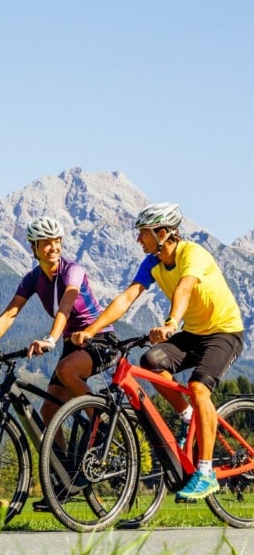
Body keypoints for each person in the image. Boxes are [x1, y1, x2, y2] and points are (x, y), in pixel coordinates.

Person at [71, 202, 244, 502]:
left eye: (143, 234)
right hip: (194, 333)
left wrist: (170, 323)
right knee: (151, 361)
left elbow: (185, 288)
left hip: (224, 332)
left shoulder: (192, 254)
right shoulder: (152, 262)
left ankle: (205, 472)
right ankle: (189, 416)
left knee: (199, 386)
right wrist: (92, 329)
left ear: (162, 233)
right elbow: (128, 297)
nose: (139, 239)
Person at [0, 216, 117, 510]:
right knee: (49, 412)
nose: (53, 247)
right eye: (46, 243)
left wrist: (50, 338)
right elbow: (10, 314)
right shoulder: (33, 278)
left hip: (98, 340)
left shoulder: (72, 270)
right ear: (34, 247)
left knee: (65, 369)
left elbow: (67, 303)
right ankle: (63, 481)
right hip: (71, 344)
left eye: (57, 241)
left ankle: (101, 421)